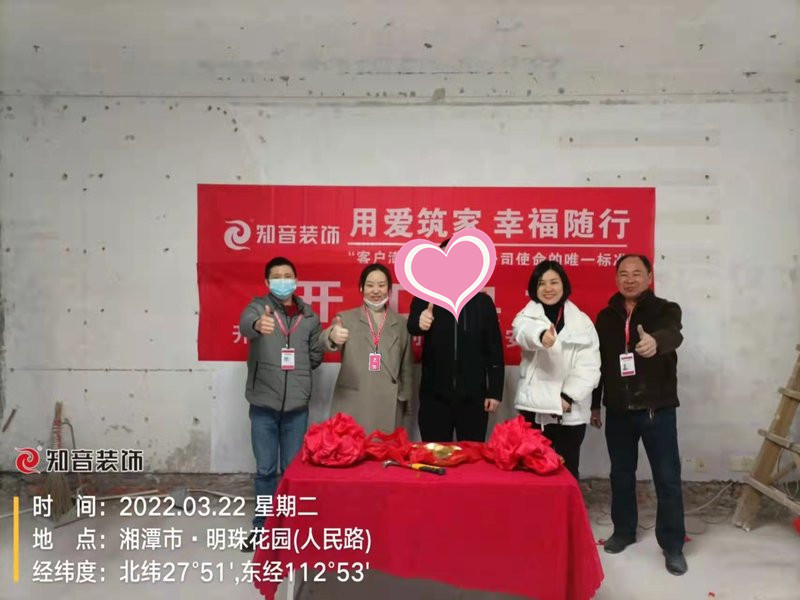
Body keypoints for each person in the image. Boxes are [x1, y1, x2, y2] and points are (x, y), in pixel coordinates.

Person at [591, 254, 687, 575]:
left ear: (649, 276)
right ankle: (623, 531)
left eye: (636, 273)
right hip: (619, 411)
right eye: (623, 274)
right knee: (621, 474)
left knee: (667, 478)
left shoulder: (665, 310)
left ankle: (672, 545)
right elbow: (599, 364)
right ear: (616, 278)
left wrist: (656, 342)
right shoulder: (606, 317)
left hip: (656, 410)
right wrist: (595, 404)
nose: (629, 279)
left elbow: (674, 334)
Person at [238, 256, 323, 551]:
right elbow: (246, 325)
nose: (283, 281)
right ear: (267, 282)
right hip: (263, 405)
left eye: (288, 275)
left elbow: (316, 355)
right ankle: (262, 528)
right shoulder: (258, 308)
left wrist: (300, 372)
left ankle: (288, 528)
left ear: (296, 280)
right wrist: (257, 325)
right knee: (265, 470)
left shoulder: (309, 317)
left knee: (291, 471)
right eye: (277, 276)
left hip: (296, 409)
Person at [407, 239, 505, 442]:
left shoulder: (482, 302)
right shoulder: (424, 298)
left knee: (472, 458)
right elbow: (412, 325)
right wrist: (420, 322)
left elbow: (494, 350)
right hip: (434, 398)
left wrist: (495, 392)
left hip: (473, 399)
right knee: (433, 456)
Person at [511, 261, 600, 480]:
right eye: (542, 283)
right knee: (532, 471)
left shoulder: (582, 321)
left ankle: (566, 505)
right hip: (535, 409)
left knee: (567, 472)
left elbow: (589, 366)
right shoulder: (526, 317)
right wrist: (541, 336)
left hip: (570, 411)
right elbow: (522, 332)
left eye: (554, 282)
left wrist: (568, 396)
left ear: (564, 285)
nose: (548, 288)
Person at [320, 263, 414, 433]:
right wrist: (332, 336)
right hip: (354, 401)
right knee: (354, 446)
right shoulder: (345, 318)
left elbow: (406, 369)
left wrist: (406, 402)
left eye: (381, 285)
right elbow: (325, 342)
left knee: (384, 447)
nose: (376, 291)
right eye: (370, 285)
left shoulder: (401, 324)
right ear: (361, 288)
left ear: (389, 289)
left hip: (388, 403)